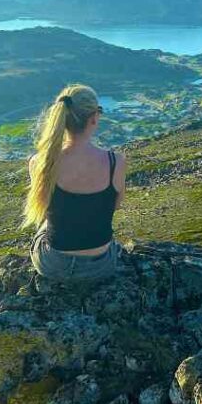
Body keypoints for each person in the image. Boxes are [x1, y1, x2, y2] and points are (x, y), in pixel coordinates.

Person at [23, 84, 127, 281]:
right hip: (101, 266)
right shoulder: (116, 162)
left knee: (45, 225)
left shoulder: (40, 163)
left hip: (52, 265)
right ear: (94, 118)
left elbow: (46, 209)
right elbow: (116, 205)